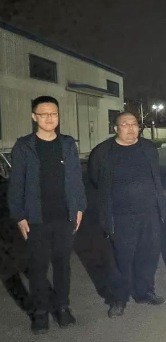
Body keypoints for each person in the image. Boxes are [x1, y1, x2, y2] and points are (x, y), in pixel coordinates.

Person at [8, 96, 87, 334]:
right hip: (36, 218)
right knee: (38, 268)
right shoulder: (24, 146)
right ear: (34, 117)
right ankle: (40, 313)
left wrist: (79, 208)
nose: (50, 118)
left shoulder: (67, 144)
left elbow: (76, 179)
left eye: (54, 113)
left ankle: (62, 307)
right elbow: (16, 183)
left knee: (63, 266)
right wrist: (19, 216)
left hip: (64, 216)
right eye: (44, 114)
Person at [88, 112, 166, 318]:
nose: (131, 129)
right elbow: (95, 179)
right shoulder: (103, 152)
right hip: (120, 216)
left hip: (149, 213)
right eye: (125, 124)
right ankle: (119, 299)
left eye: (134, 124)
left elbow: (155, 176)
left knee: (148, 255)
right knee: (120, 259)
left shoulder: (148, 148)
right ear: (115, 128)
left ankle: (144, 291)